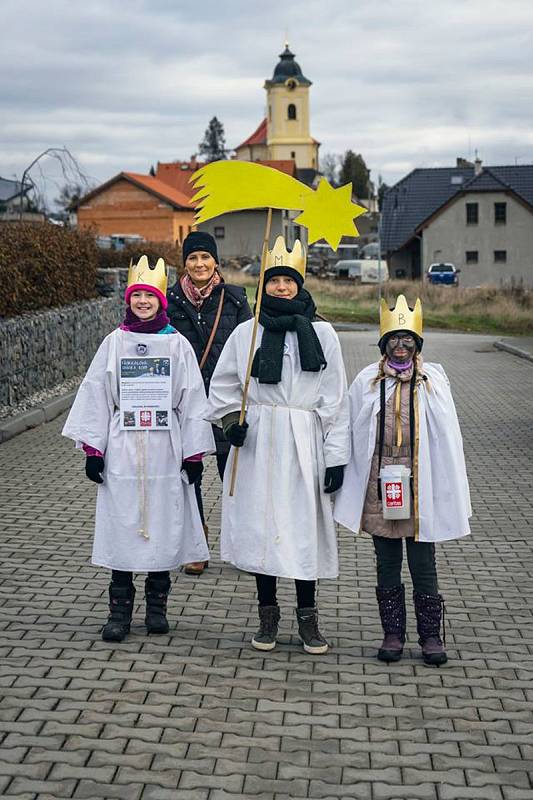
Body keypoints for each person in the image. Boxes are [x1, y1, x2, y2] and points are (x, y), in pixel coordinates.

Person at [206, 236, 350, 655]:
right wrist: (232, 422)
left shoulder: (323, 333)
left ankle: (309, 619)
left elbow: (334, 398)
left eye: (289, 280)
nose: (282, 288)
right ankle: (268, 616)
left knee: (303, 529)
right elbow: (226, 384)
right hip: (259, 441)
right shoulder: (246, 333)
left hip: (304, 440)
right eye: (274, 280)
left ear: (300, 284)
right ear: (264, 284)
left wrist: (336, 456)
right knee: (261, 527)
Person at [62, 256, 215, 642]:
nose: (143, 301)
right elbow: (97, 392)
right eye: (137, 296)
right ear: (128, 300)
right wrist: (94, 450)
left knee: (163, 523)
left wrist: (193, 453)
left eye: (149, 295)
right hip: (124, 448)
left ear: (160, 300)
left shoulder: (176, 345)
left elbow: (192, 398)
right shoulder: (114, 343)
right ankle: (119, 612)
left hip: (165, 446)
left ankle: (157, 609)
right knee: (123, 524)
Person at [334, 295, 472, 666]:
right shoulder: (367, 380)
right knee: (386, 561)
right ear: (384, 343)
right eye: (393, 338)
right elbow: (350, 426)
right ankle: (393, 633)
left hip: (419, 481)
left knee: (423, 561)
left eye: (407, 338)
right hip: (381, 483)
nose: (400, 344)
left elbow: (446, 436)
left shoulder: (432, 380)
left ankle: (430, 637)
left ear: (417, 343)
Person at [167, 231, 252, 575]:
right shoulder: (170, 302)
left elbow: (249, 347)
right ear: (184, 264)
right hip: (187, 402)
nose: (199, 264)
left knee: (234, 474)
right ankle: (196, 545)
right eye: (192, 258)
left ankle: (243, 544)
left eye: (205, 257)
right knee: (190, 474)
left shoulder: (233, 300)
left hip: (226, 402)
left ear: (215, 261)